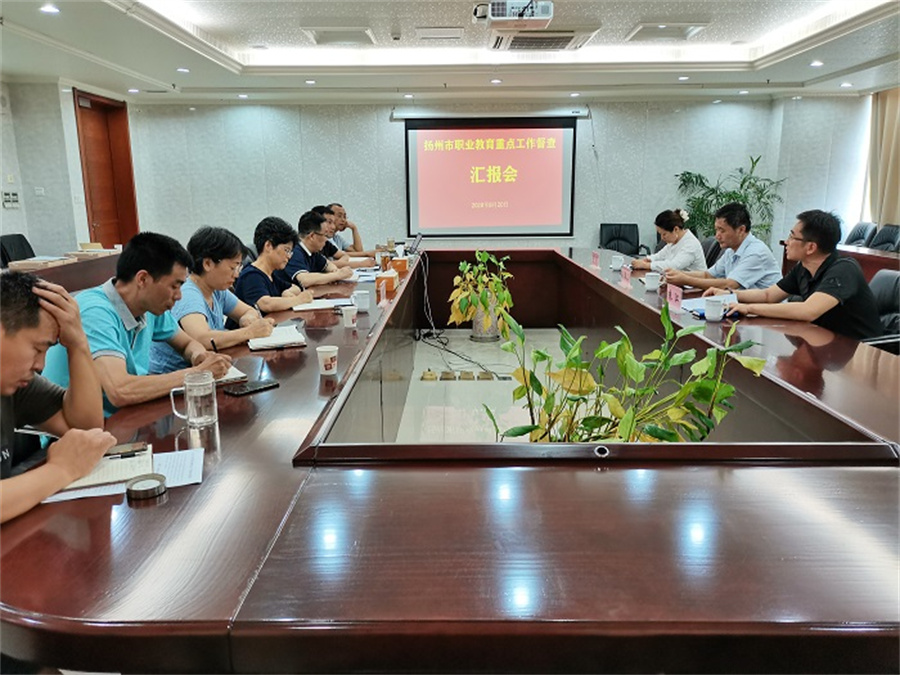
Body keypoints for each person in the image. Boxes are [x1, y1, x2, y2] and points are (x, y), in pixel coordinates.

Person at [43, 232, 232, 417]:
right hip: (75, 428)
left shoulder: (149, 306)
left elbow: (187, 343)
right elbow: (119, 391)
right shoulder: (95, 312)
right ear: (142, 279)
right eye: (174, 286)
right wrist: (198, 373)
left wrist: (199, 356)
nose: (179, 296)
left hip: (123, 417)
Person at [0, 272, 116, 523]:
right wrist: (61, 470)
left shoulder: (14, 383)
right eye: (37, 349)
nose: (40, 365)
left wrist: (78, 343)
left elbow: (86, 428)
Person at [710, 210, 883, 340]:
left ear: (811, 247)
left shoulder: (844, 269)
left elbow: (808, 311)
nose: (787, 242)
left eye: (792, 237)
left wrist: (749, 308)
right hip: (823, 341)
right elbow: (769, 295)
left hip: (858, 350)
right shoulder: (803, 267)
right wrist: (730, 294)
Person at [149, 227, 277, 373]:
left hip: (204, 370)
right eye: (233, 268)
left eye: (238, 268)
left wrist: (247, 319)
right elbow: (202, 338)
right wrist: (249, 332)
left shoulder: (217, 290)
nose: (236, 275)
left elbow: (248, 310)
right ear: (208, 264)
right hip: (175, 376)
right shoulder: (188, 294)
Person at [664, 202, 781, 291]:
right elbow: (707, 275)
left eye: (722, 230)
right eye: (716, 230)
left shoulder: (756, 252)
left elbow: (730, 285)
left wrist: (685, 280)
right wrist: (676, 274)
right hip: (743, 306)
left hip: (766, 312)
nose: (717, 236)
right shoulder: (731, 250)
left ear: (741, 230)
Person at [233, 216, 313, 314]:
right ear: (268, 246)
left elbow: (295, 287)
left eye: (290, 252)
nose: (289, 256)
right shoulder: (251, 275)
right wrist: (299, 300)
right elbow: (266, 304)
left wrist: (287, 292)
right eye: (286, 250)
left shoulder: (271, 275)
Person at [275, 210, 354, 288]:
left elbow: (328, 265)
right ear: (312, 236)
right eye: (325, 235)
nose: (326, 240)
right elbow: (305, 280)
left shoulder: (313, 251)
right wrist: (337, 275)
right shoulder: (294, 251)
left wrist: (335, 271)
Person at [631, 208, 706, 273]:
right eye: (660, 234)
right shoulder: (674, 241)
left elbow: (673, 266)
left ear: (676, 229)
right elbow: (659, 256)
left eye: (664, 234)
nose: (662, 238)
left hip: (693, 284)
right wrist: (647, 259)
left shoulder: (690, 244)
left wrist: (646, 265)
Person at [311, 205, 375, 269]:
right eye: (329, 222)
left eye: (344, 217)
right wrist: (362, 261)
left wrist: (354, 228)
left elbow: (347, 254)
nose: (343, 220)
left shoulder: (330, 241)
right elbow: (325, 264)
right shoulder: (313, 246)